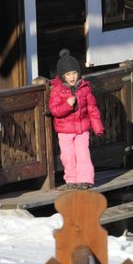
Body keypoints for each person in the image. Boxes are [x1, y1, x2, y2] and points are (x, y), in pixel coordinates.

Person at [49, 48, 104, 190]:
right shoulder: (57, 90)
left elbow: (92, 108)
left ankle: (85, 180)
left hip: (82, 129)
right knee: (68, 156)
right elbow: (54, 110)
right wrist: (67, 105)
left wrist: (98, 127)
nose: (72, 77)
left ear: (78, 73)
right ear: (62, 76)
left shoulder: (84, 88)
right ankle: (71, 179)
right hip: (65, 131)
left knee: (83, 154)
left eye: (74, 73)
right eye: (68, 74)